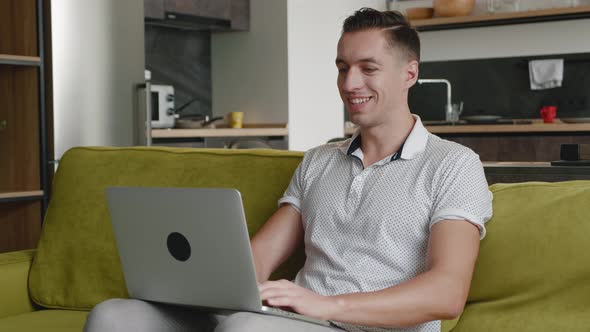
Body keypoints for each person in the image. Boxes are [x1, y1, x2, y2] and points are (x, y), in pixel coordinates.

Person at [84, 8, 492, 332]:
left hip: (365, 329)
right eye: (342, 67)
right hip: (290, 321)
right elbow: (256, 262)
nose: (350, 83)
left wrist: (326, 305)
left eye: (368, 68)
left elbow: (447, 292)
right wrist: (200, 286)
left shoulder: (453, 165)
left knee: (246, 329)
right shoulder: (318, 161)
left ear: (410, 73)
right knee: (114, 317)